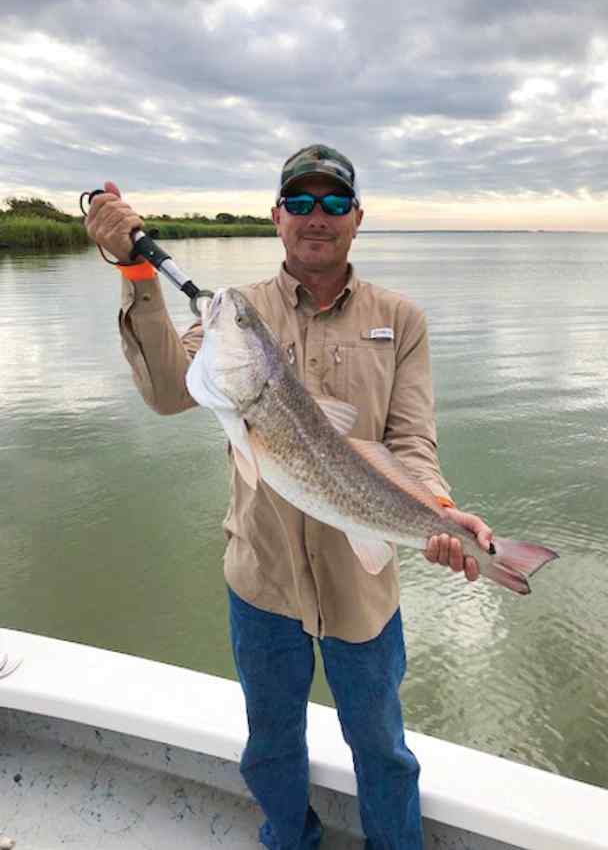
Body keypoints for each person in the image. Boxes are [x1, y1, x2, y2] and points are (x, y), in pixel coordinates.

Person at [85, 144, 493, 850]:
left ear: (357, 219)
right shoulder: (235, 312)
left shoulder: (403, 318)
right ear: (276, 217)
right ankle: (289, 840)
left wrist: (438, 510)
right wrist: (135, 273)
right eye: (299, 202)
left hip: (362, 584)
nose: (316, 216)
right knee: (271, 742)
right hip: (262, 578)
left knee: (383, 747)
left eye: (334, 202)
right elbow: (163, 391)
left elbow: (411, 440)